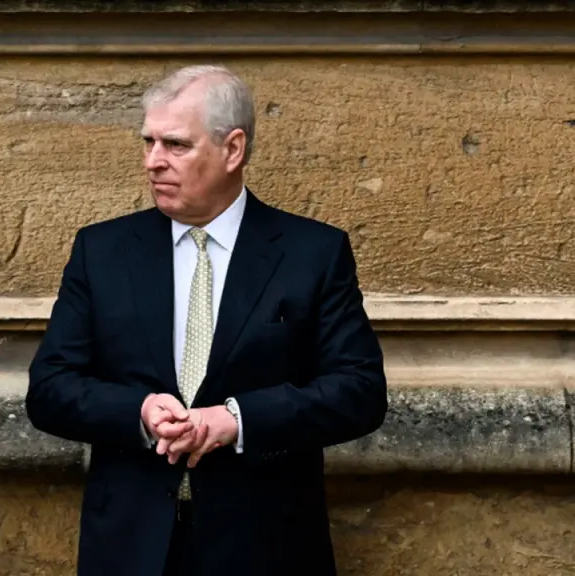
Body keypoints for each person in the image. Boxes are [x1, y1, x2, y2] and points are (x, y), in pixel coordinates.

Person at [25, 64, 388, 576]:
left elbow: (360, 392)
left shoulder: (313, 254)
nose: (153, 161)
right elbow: (49, 389)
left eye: (175, 145)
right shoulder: (102, 251)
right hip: (130, 548)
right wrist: (139, 412)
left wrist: (238, 420)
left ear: (232, 149)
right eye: (148, 142)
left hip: (266, 549)